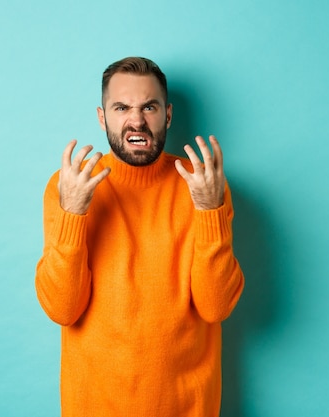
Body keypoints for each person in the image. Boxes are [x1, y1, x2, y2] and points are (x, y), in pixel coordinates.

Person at [35, 56, 244, 417]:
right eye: (121, 107)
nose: (136, 120)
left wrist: (210, 209)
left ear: (168, 115)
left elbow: (216, 306)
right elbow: (62, 309)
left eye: (149, 106)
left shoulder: (203, 184)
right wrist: (72, 213)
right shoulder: (69, 185)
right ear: (102, 117)